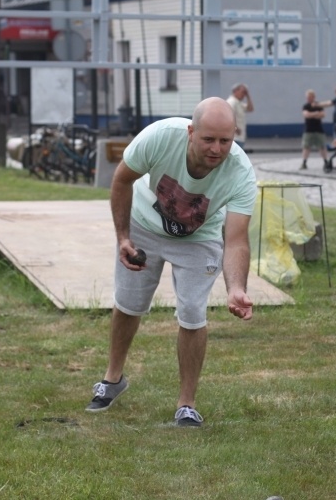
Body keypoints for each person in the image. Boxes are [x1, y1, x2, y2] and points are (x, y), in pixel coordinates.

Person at [86, 97, 257, 427]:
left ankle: (186, 404)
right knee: (128, 304)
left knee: (193, 312)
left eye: (226, 140)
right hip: (144, 226)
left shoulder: (241, 172)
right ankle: (112, 379)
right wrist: (123, 237)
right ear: (191, 132)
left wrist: (236, 287)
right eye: (208, 139)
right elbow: (122, 179)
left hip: (200, 235)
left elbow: (236, 239)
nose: (217, 149)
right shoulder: (160, 137)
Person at [300, 89, 328, 170]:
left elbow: (323, 115)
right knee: (306, 147)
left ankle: (326, 162)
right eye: (307, 97)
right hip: (308, 129)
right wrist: (316, 114)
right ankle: (304, 163)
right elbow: (306, 115)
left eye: (310, 97)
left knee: (322, 146)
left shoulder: (318, 105)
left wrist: (312, 114)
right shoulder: (305, 106)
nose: (308, 99)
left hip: (319, 129)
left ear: (313, 97)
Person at [226, 83, 254, 149]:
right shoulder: (231, 102)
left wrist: (248, 96)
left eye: (245, 93)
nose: (244, 95)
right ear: (235, 91)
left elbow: (250, 108)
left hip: (240, 137)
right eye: (243, 92)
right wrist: (235, 127)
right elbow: (227, 116)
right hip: (234, 138)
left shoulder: (239, 103)